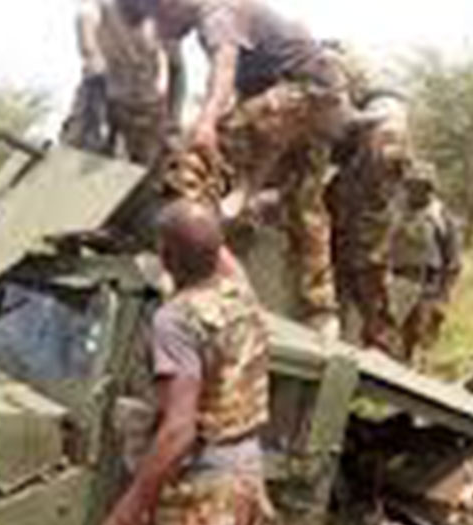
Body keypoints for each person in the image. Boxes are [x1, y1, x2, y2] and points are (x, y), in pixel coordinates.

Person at [91, 199, 273, 525]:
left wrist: (122, 521)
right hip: (248, 492)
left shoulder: (175, 321)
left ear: (165, 255)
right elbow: (219, 252)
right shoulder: (242, 297)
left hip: (196, 502)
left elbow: (177, 429)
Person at [119, 0, 349, 337]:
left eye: (156, 15)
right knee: (304, 204)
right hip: (324, 102)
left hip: (305, 93)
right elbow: (255, 115)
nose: (159, 27)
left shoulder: (216, 12)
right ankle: (321, 312)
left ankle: (193, 264)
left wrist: (206, 124)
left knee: (194, 160)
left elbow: (223, 72)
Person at [325, 42, 412, 358]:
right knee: (347, 292)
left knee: (372, 297)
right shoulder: (366, 109)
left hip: (367, 228)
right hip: (350, 219)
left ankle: (388, 366)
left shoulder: (385, 110)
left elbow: (387, 158)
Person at [62, 0, 180, 164]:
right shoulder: (93, 11)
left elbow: (162, 62)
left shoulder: (151, 25)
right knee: (78, 150)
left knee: (156, 162)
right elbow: (92, 57)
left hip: (144, 110)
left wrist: (159, 88)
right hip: (100, 100)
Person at [391, 161, 462, 362]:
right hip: (396, 282)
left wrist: (443, 297)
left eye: (420, 186)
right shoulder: (396, 209)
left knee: (420, 340)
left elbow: (453, 261)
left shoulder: (440, 215)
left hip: (427, 286)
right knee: (391, 338)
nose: (415, 191)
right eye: (411, 185)